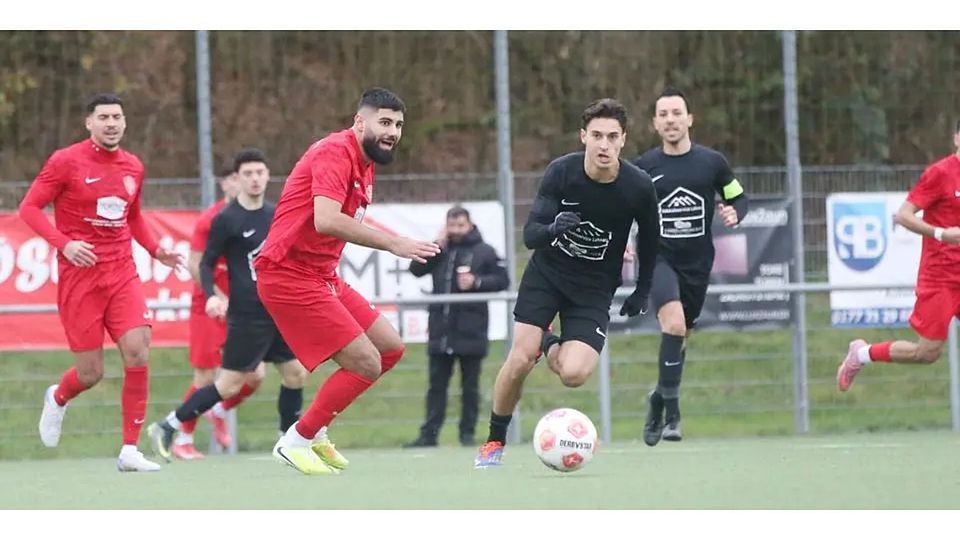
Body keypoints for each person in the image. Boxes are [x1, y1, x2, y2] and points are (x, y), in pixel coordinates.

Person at [254, 87, 440, 475]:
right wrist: (394, 242)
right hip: (288, 275)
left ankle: (315, 429)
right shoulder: (334, 152)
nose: (393, 132)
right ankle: (296, 440)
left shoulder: (366, 160)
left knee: (389, 349)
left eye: (399, 125)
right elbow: (326, 218)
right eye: (384, 122)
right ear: (360, 122)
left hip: (321, 276)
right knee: (366, 362)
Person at [474, 98, 660, 468]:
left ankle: (548, 340)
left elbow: (652, 240)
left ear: (623, 140)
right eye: (596, 136)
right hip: (548, 275)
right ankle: (494, 442)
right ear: (583, 137)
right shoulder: (562, 172)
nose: (603, 144)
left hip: (594, 288)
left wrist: (642, 289)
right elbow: (530, 235)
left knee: (574, 374)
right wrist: (552, 228)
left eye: (612, 136)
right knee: (520, 359)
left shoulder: (638, 187)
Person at [19, 92, 182, 472]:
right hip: (80, 280)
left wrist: (157, 250)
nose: (112, 123)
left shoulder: (133, 167)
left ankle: (129, 449)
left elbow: (134, 217)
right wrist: (65, 244)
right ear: (89, 123)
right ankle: (58, 397)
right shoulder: (65, 162)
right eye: (104, 117)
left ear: (125, 123)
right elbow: (28, 208)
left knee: (139, 351)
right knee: (91, 373)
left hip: (122, 272)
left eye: (118, 117)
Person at [146, 149, 308, 461]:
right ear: (237, 179)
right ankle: (169, 425)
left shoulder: (276, 214)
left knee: (295, 373)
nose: (255, 179)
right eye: (247, 174)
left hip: (276, 310)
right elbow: (205, 265)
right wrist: (211, 296)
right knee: (229, 383)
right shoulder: (226, 220)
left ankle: (289, 441)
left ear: (267, 176)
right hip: (247, 315)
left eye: (260, 172)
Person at [633, 87, 749, 446]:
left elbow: (738, 196)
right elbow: (619, 207)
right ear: (655, 123)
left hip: (697, 264)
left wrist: (735, 212)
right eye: (663, 114)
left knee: (680, 336)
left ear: (689, 119)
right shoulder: (642, 167)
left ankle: (657, 400)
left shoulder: (711, 163)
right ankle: (673, 412)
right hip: (658, 258)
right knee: (674, 324)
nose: (670, 119)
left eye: (676, 113)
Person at [837, 120, 960, 389]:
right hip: (941, 278)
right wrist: (941, 234)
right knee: (927, 353)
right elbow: (903, 216)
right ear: (956, 139)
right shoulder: (940, 173)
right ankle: (861, 354)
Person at [404, 206, 509, 448]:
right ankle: (429, 435)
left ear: (470, 225)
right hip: (441, 332)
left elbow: (502, 280)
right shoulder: (440, 249)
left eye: (460, 225)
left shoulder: (485, 251)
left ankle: (467, 436)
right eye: (452, 226)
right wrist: (436, 245)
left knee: (470, 388)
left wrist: (477, 282)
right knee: (436, 387)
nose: (456, 230)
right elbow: (416, 270)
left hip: (472, 331)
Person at [174, 168, 240, 460]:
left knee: (254, 374)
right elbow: (194, 264)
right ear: (225, 183)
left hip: (242, 308)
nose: (245, 181)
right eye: (237, 176)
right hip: (209, 305)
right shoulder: (210, 219)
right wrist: (215, 294)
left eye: (253, 174)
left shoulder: (263, 217)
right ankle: (182, 438)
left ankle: (218, 408)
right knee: (204, 376)